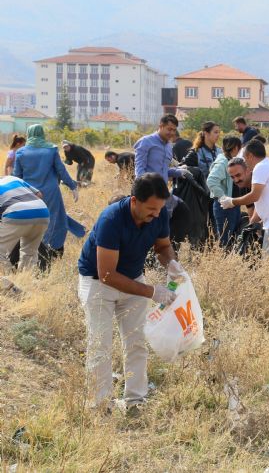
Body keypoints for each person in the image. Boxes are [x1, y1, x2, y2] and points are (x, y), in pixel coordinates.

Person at [77, 173, 184, 411]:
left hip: (133, 278)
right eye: (151, 209)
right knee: (100, 344)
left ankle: (136, 401)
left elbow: (163, 246)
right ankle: (99, 405)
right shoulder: (111, 219)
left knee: (136, 341)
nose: (156, 215)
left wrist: (171, 263)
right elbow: (107, 274)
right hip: (98, 284)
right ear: (134, 200)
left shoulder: (159, 214)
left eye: (159, 210)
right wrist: (151, 291)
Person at [13, 124, 84, 259]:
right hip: (51, 193)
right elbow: (61, 171)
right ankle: (52, 252)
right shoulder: (51, 150)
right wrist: (72, 186)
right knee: (54, 220)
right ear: (42, 134)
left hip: (30, 193)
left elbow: (17, 176)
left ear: (29, 134)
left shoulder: (21, 152)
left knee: (32, 222)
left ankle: (33, 252)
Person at [220, 140, 269, 259]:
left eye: (245, 159)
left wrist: (232, 202)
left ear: (250, 156)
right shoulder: (266, 166)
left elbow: (254, 195)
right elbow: (260, 200)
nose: (245, 163)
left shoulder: (260, 168)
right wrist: (252, 223)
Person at [134, 115, 192, 215]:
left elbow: (164, 170)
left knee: (182, 212)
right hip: (148, 191)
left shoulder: (169, 146)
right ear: (161, 126)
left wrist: (179, 171)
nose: (172, 133)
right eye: (169, 129)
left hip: (162, 192)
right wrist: (145, 189)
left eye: (174, 130)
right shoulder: (146, 141)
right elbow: (139, 168)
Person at [0, 175, 49, 272]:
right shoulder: (13, 178)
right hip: (42, 212)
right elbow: (39, 194)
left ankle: (8, 283)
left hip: (16, 213)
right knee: (29, 253)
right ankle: (26, 281)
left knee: (1, 254)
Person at [206, 136, 243, 248]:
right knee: (225, 241)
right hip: (225, 207)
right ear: (236, 148)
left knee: (232, 238)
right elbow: (211, 181)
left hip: (233, 204)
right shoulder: (223, 162)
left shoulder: (230, 161)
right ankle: (223, 262)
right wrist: (223, 198)